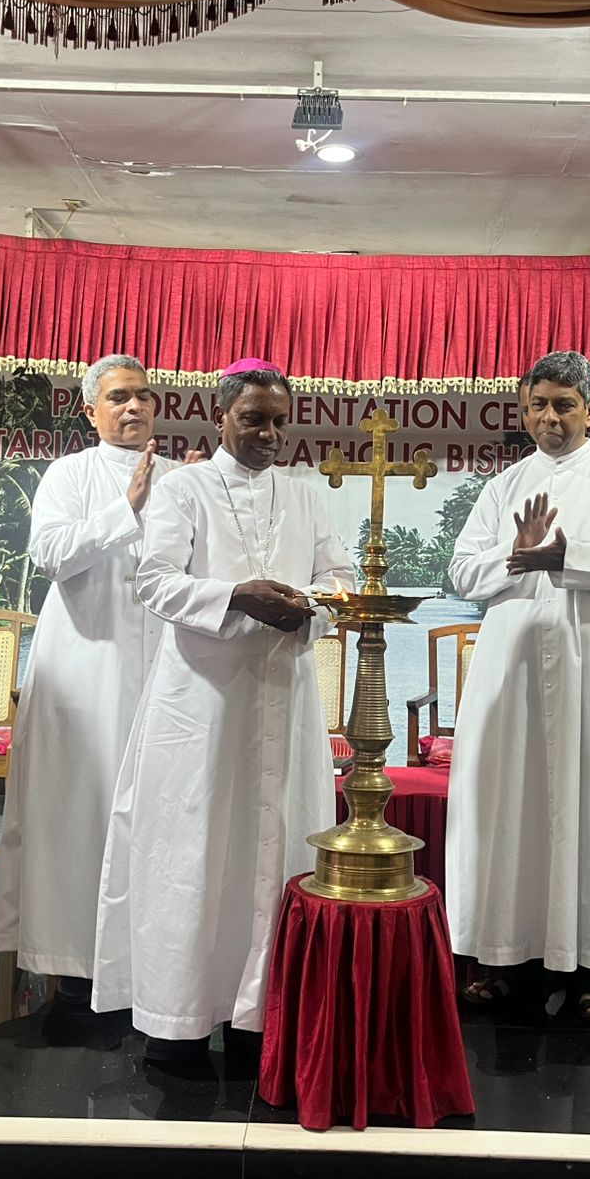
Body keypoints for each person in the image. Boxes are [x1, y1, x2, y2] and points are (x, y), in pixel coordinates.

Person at [90, 358, 355, 1061]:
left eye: (278, 422)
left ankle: (256, 1022)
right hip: (200, 703)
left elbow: (339, 580)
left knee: (277, 850)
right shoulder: (185, 489)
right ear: (220, 417)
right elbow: (154, 581)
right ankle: (176, 1020)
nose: (268, 434)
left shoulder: (305, 496)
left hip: (285, 695)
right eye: (252, 420)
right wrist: (236, 596)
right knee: (193, 852)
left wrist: (310, 609)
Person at [446, 350, 590, 1026]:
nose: (550, 417)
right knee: (509, 803)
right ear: (523, 410)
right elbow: (462, 573)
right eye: (538, 405)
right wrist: (517, 555)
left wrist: (567, 557)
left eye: (564, 405)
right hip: (512, 664)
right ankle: (505, 957)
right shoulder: (505, 484)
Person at [0, 354, 193, 1044]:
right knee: (77, 818)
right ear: (89, 410)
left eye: (143, 396)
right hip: (85, 667)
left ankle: (155, 972)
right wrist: (125, 509)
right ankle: (75, 977)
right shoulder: (70, 474)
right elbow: (50, 555)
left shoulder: (184, 478)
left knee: (160, 821)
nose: (133, 407)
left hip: (165, 670)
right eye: (118, 397)